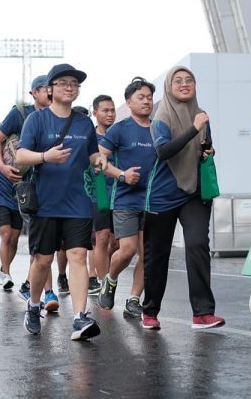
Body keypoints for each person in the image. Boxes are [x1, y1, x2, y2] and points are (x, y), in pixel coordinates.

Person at [16, 63, 107, 340]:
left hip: (78, 201)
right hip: (45, 203)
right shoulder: (37, 120)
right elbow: (20, 157)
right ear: (50, 89)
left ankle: (79, 317)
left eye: (75, 84)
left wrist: (100, 160)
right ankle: (34, 306)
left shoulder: (83, 123)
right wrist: (45, 157)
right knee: (43, 261)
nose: (70, 87)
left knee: (78, 255)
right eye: (64, 82)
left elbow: (92, 155)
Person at [140, 66, 224, 331]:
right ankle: (150, 310)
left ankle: (202, 313)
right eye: (178, 81)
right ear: (169, 86)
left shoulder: (201, 115)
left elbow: (202, 144)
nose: (184, 84)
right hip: (163, 194)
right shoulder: (161, 115)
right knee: (158, 255)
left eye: (189, 80)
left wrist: (208, 150)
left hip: (194, 192)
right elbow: (164, 151)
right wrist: (192, 129)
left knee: (198, 244)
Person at [0, 75, 60, 304]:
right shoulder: (20, 113)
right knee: (40, 240)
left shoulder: (61, 115)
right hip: (27, 187)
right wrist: (1, 165)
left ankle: (31, 285)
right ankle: (45, 291)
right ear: (34, 93)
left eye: (52, 89)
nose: (49, 93)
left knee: (47, 242)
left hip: (52, 183)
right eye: (44, 89)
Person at [97, 77, 155, 319]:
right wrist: (121, 175)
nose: (146, 102)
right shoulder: (120, 129)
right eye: (141, 97)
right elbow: (100, 160)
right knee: (128, 249)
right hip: (125, 200)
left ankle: (134, 299)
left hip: (153, 201)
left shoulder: (159, 128)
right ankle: (110, 280)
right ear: (129, 102)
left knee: (146, 254)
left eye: (149, 98)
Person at [89, 94, 117, 294]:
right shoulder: (90, 138)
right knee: (102, 237)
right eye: (105, 110)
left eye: (112, 110)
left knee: (115, 243)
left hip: (121, 192)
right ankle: (103, 284)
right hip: (98, 192)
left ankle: (106, 272)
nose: (110, 114)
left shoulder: (120, 133)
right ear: (95, 112)